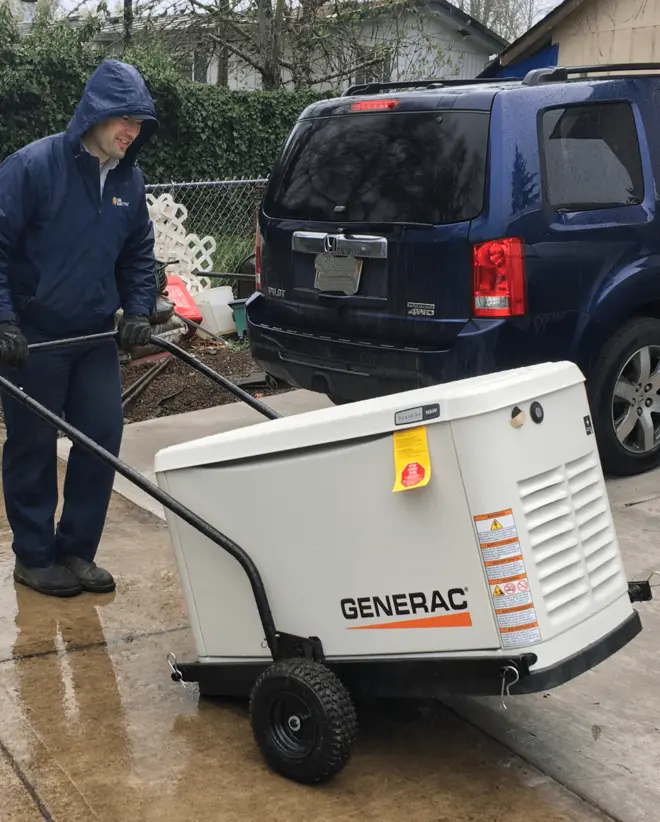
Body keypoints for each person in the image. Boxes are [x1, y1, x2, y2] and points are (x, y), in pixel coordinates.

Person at [0, 59, 159, 598]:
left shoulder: (128, 180)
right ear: (96, 112)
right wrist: (3, 319)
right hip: (34, 336)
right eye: (125, 119)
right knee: (32, 445)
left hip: (92, 335)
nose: (131, 132)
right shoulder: (30, 168)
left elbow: (138, 253)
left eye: (140, 124)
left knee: (102, 439)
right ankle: (35, 556)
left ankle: (76, 550)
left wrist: (137, 311)